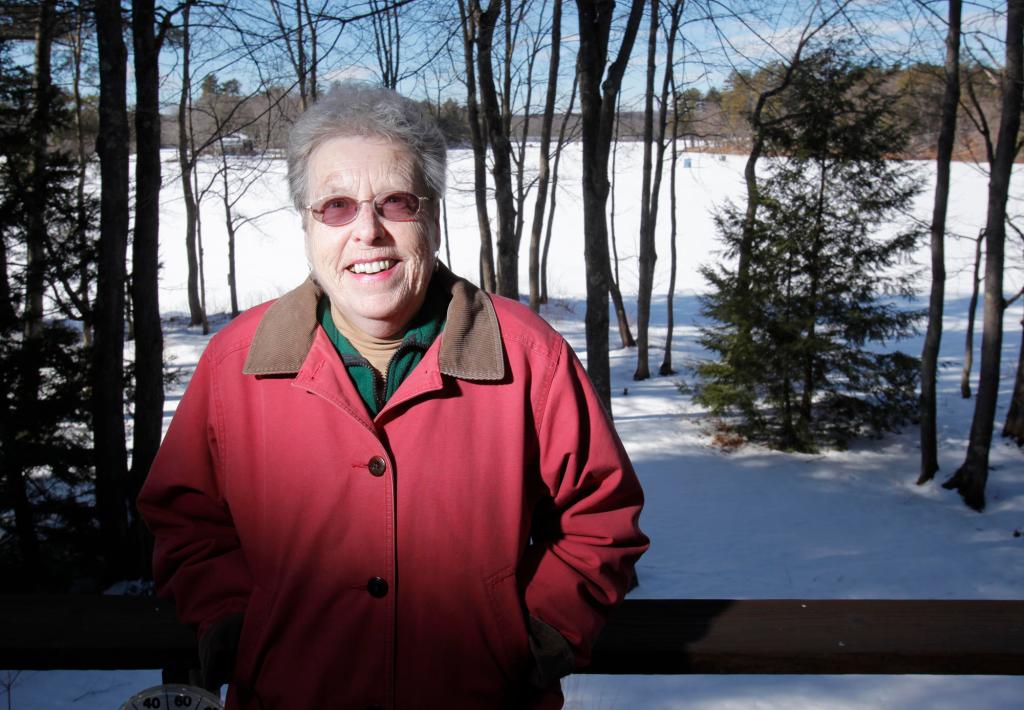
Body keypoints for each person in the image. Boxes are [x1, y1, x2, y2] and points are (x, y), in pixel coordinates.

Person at [137, 84, 648, 710]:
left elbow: (600, 519)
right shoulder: (235, 363)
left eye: (396, 203)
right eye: (336, 206)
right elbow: (187, 521)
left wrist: (537, 639)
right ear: (305, 221)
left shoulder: (527, 357)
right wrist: (236, 626)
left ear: (430, 213)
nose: (368, 232)